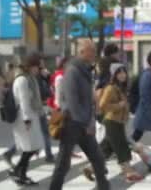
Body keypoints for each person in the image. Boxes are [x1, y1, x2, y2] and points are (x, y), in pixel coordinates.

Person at [49, 39, 110, 190]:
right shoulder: (73, 71)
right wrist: (85, 123)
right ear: (82, 52)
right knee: (63, 163)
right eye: (92, 50)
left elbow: (86, 99)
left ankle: (104, 187)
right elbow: (72, 102)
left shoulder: (85, 70)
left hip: (82, 124)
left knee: (98, 159)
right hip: (72, 123)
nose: (95, 53)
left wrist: (90, 120)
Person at [98, 63, 143, 182]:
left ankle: (91, 168)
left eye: (124, 72)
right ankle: (129, 173)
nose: (123, 75)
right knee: (121, 147)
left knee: (106, 149)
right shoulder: (111, 88)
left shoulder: (120, 88)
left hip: (118, 122)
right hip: (112, 121)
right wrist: (119, 105)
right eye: (119, 72)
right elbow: (102, 105)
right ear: (114, 75)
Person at [9, 54, 46, 186]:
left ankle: (19, 172)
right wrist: (27, 119)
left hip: (31, 116)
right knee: (29, 148)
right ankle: (18, 173)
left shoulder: (30, 79)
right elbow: (24, 101)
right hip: (24, 119)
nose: (39, 69)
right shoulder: (23, 80)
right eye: (37, 66)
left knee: (30, 148)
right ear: (30, 66)